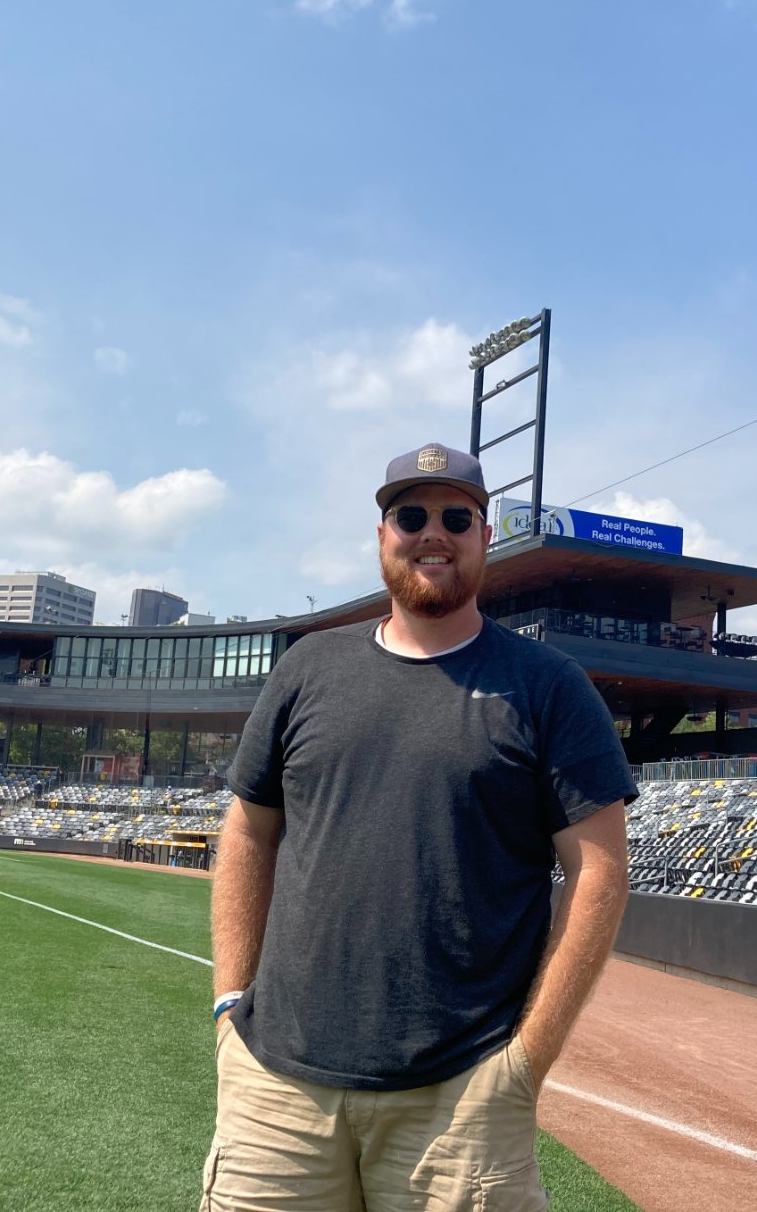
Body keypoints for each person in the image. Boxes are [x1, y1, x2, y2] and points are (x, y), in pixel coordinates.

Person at [203, 442, 636, 1210]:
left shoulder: (548, 687)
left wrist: (526, 1062)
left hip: (462, 1098)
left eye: (455, 517)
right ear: (381, 537)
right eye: (410, 515)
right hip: (275, 1086)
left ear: (483, 536)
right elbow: (247, 832)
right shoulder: (308, 668)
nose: (432, 532)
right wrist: (229, 1001)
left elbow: (598, 869)